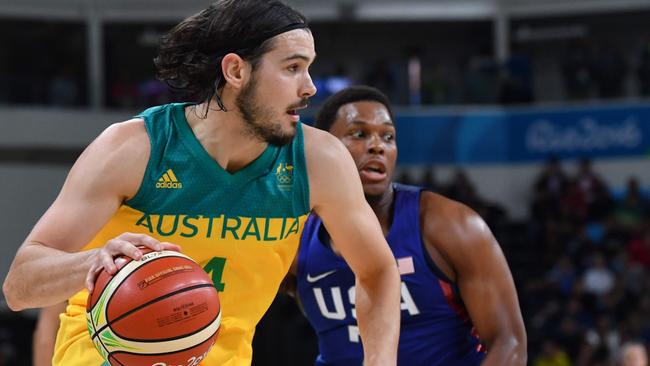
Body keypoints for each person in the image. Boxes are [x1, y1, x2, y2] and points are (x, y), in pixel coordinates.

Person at [2, 2, 401, 365]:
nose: (310, 87)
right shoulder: (134, 148)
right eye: (292, 68)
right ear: (236, 71)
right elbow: (20, 286)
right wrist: (96, 262)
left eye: (309, 68)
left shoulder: (319, 162)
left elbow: (379, 270)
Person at [283, 86, 527, 365]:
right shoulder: (294, 235)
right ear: (326, 147)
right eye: (359, 133)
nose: (378, 145)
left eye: (388, 136)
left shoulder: (450, 225)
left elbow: (509, 344)